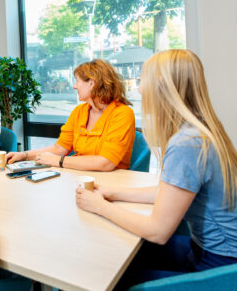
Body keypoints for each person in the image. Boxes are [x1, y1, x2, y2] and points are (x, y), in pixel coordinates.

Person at [75, 50, 237, 288]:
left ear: (162, 86)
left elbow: (158, 231)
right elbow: (168, 190)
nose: (139, 90)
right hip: (213, 252)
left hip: (219, 265)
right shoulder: (200, 130)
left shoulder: (186, 143)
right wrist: (113, 193)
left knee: (105, 278)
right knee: (123, 258)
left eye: (142, 81)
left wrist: (99, 206)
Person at [6, 59, 135, 171]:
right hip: (80, 177)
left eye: (77, 81)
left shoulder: (122, 113)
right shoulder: (79, 111)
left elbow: (105, 163)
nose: (74, 86)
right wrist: (24, 155)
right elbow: (60, 149)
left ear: (92, 83)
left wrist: (58, 161)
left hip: (113, 180)